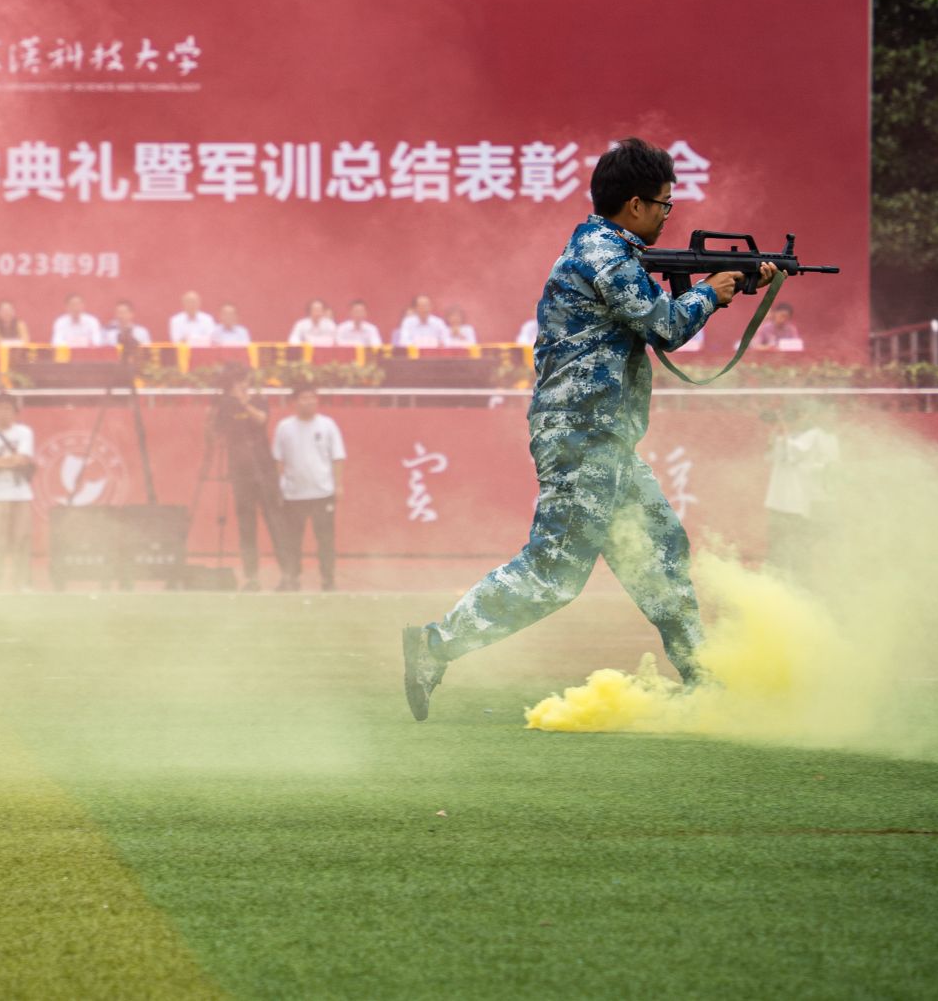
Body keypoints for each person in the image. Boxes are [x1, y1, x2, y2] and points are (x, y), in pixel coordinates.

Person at [401, 137, 773, 720]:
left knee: (661, 548)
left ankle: (704, 678)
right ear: (634, 204)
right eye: (664, 204)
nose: (667, 214)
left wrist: (721, 286)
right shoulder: (606, 256)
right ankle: (435, 643)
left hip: (604, 436)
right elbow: (666, 326)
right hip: (582, 434)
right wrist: (713, 292)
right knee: (554, 571)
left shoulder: (609, 250)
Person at [271, 381, 346, 591]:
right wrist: (278, 487)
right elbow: (277, 460)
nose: (310, 401)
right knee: (292, 541)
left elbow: (338, 457)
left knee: (325, 540)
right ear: (294, 402)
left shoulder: (328, 425)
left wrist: (338, 485)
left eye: (313, 397)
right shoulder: (284, 427)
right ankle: (291, 578)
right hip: (293, 494)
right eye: (304, 398)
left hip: (323, 492)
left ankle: (328, 580)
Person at [213, 367, 280, 591]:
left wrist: (244, 403)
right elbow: (216, 434)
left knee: (274, 521)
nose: (242, 385)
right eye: (237, 381)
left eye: (245, 380)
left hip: (264, 470)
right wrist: (214, 412)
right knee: (247, 527)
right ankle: (252, 577)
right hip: (240, 473)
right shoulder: (225, 405)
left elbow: (261, 420)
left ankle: (288, 573)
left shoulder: (259, 400)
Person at [763, 399, 839, 580]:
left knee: (798, 547)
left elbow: (794, 453)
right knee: (777, 548)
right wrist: (776, 430)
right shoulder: (792, 436)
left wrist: (781, 428)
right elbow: (770, 455)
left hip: (796, 501)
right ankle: (774, 583)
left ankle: (800, 584)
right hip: (778, 500)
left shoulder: (814, 436)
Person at [0, 394, 36, 591]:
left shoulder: (25, 432)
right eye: (0, 408)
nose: (4, 412)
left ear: (15, 412)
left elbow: (24, 459)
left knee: (22, 539)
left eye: (8, 408)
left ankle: (23, 582)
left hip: (21, 495)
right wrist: (11, 461)